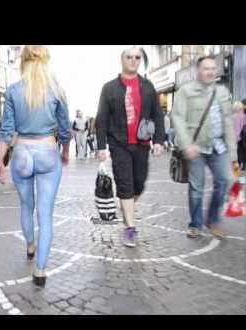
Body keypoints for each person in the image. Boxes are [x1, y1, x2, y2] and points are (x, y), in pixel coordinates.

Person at [0, 45, 71, 288]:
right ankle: (40, 270)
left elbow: (7, 131)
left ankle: (30, 245)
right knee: (45, 214)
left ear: (23, 60)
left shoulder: (13, 91)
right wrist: (66, 151)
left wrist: (0, 161)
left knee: (26, 207)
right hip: (48, 151)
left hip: (22, 153)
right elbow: (64, 128)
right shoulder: (56, 90)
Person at [96, 47, 165, 248]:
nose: (134, 60)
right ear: (122, 60)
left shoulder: (147, 86)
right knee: (125, 184)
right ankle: (130, 228)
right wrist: (102, 146)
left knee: (139, 184)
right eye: (129, 57)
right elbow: (102, 118)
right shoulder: (109, 88)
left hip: (142, 144)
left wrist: (159, 140)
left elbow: (157, 115)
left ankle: (127, 208)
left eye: (137, 57)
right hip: (119, 144)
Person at [172, 56, 237, 239]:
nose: (210, 72)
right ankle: (195, 224)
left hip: (219, 146)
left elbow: (227, 122)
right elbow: (177, 117)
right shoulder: (186, 91)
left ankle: (213, 220)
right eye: (206, 68)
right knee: (196, 188)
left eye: (213, 68)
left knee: (224, 181)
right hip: (196, 148)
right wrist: (186, 145)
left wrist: (232, 150)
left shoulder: (223, 92)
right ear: (197, 71)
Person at [232, 101, 246, 170]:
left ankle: (236, 169)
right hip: (243, 137)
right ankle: (243, 166)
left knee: (235, 154)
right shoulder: (244, 116)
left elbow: (235, 129)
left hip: (235, 138)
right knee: (242, 151)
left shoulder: (233, 117)